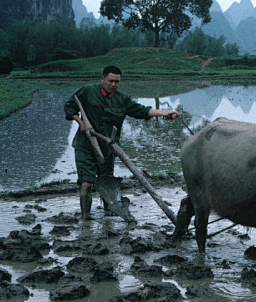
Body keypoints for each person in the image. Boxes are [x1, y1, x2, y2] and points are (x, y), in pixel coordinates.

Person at [64, 65, 179, 220]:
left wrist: (165, 113)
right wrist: (80, 122)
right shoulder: (88, 91)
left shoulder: (122, 99)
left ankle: (109, 211)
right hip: (86, 145)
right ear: (102, 79)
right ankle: (86, 217)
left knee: (107, 180)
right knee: (86, 183)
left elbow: (142, 111)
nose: (113, 85)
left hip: (108, 148)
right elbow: (70, 106)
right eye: (110, 81)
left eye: (117, 82)